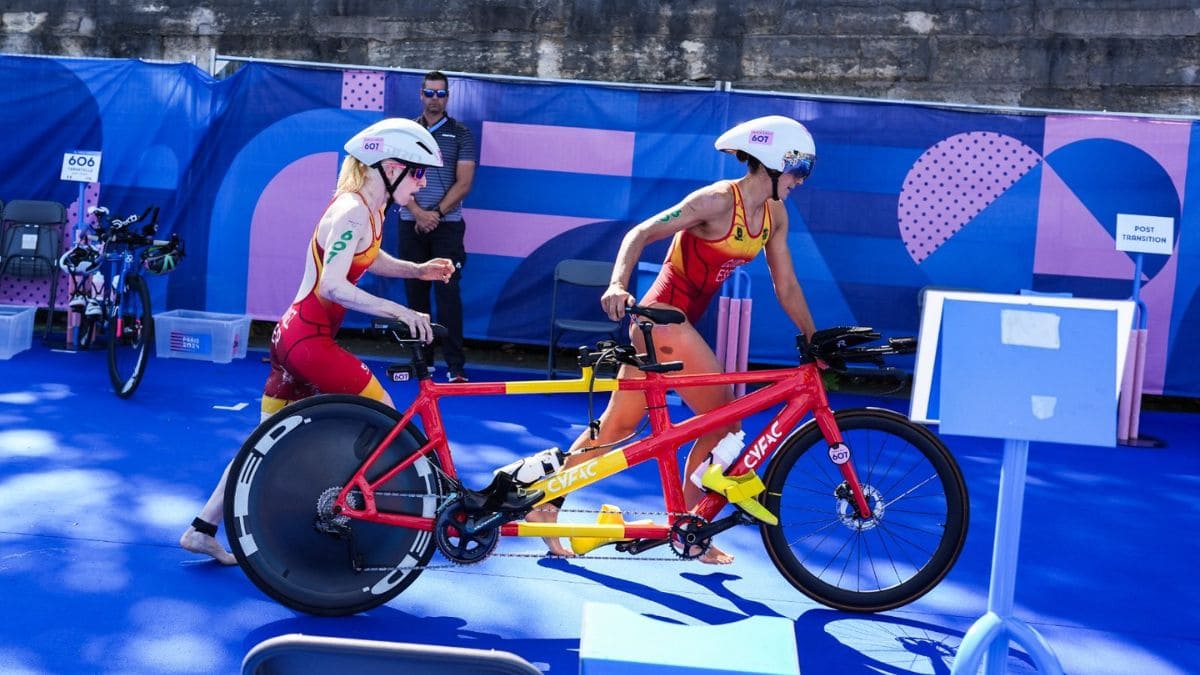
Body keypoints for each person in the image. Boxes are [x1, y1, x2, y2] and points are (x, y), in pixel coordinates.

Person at [528, 115, 819, 564]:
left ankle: (547, 506)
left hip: (668, 327)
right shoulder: (718, 201)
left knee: (615, 429)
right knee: (725, 420)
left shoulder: (775, 216)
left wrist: (812, 337)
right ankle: (691, 530)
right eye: (800, 168)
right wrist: (616, 285)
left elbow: (787, 287)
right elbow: (639, 233)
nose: (802, 180)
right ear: (773, 162)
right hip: (661, 321)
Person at [180, 117, 455, 565]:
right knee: (384, 417)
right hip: (307, 340)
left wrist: (416, 270)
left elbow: (368, 255)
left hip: (293, 337)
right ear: (388, 166)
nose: (423, 183)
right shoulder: (351, 210)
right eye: (418, 171)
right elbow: (332, 286)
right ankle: (369, 514)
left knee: (260, 443)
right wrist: (402, 310)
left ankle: (202, 529)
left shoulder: (368, 209)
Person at [398, 70, 477, 383]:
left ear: (448, 96)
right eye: (429, 93)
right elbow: (394, 178)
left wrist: (435, 214)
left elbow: (465, 181)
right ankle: (422, 363)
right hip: (410, 223)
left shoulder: (461, 134)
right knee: (415, 296)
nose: (434, 100)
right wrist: (418, 212)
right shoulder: (405, 132)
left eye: (440, 94)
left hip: (447, 227)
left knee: (448, 295)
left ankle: (455, 367)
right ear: (420, 95)